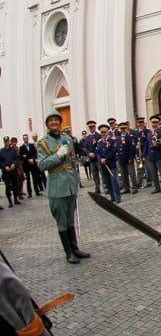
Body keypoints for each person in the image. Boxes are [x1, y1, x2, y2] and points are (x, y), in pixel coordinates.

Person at [36, 111, 91, 264]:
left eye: (56, 120)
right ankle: (68, 253)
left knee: (70, 219)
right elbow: (42, 165)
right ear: (47, 124)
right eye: (51, 121)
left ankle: (75, 248)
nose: (54, 123)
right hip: (57, 187)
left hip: (70, 184)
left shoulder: (67, 139)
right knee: (61, 221)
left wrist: (75, 178)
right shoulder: (43, 143)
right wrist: (58, 155)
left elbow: (72, 160)